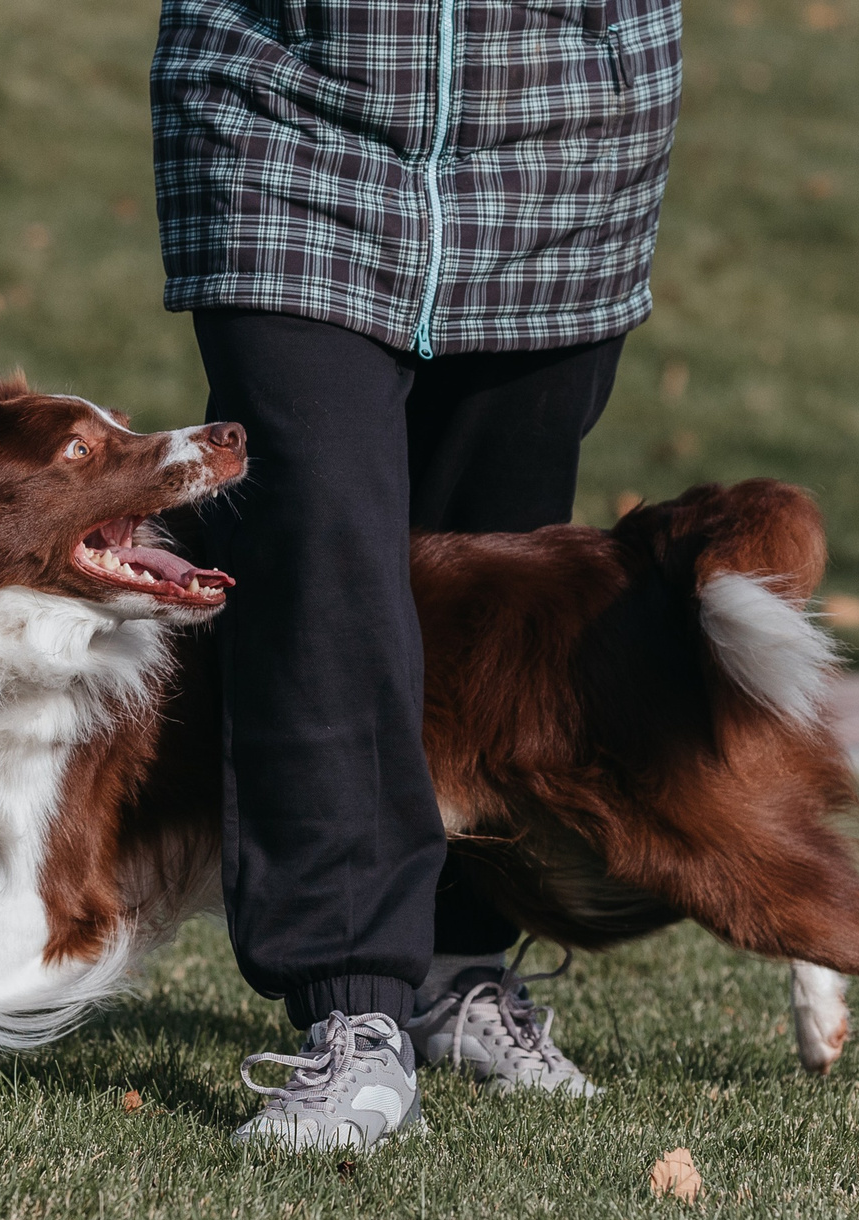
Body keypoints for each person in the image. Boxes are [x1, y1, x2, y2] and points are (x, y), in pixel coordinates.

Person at [149, 0, 684, 1149]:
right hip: (281, 100)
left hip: (558, 119)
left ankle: (458, 962)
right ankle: (352, 1012)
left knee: (492, 565)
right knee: (317, 553)